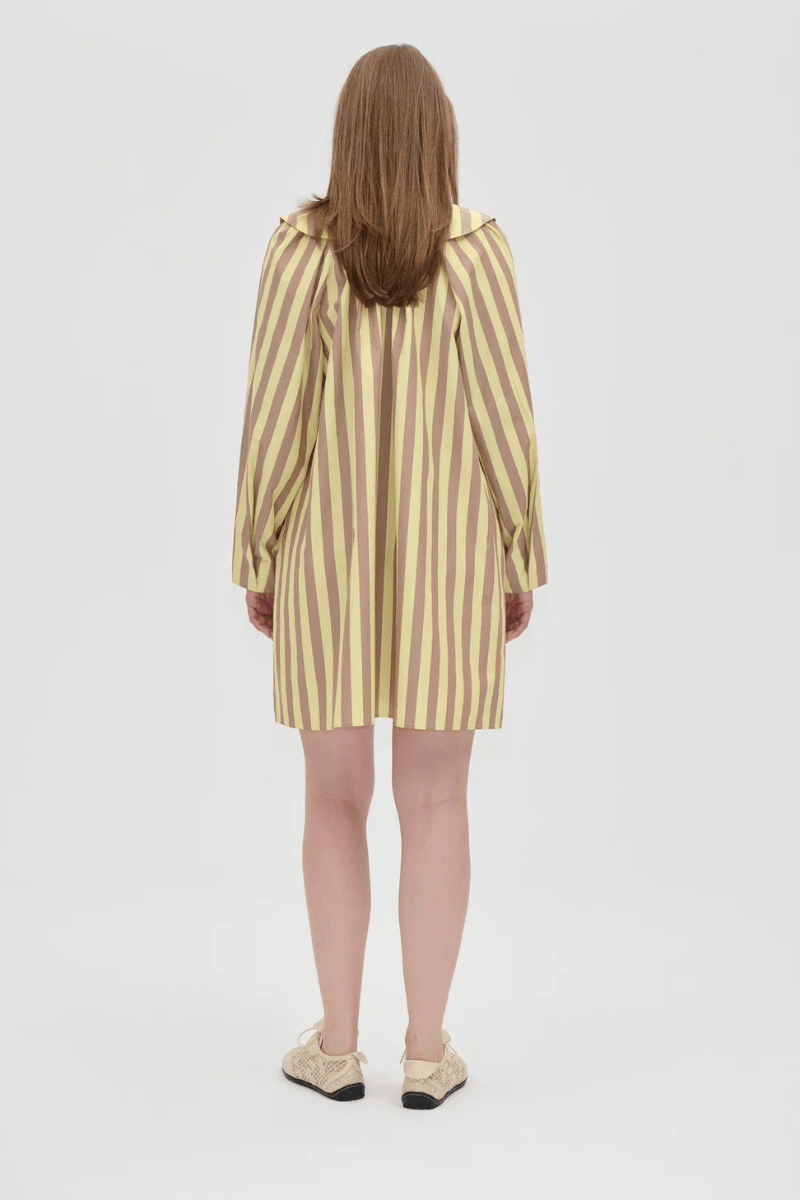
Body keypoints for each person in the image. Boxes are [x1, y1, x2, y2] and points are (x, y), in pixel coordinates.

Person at [231, 43, 548, 1109]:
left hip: (324, 561)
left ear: (348, 135)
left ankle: (335, 1047)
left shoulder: (297, 252)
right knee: (437, 799)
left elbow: (273, 418)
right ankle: (423, 1052)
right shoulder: (478, 252)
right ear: (438, 136)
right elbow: (506, 419)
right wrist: (520, 553)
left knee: (333, 796)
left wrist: (258, 551)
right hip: (453, 562)